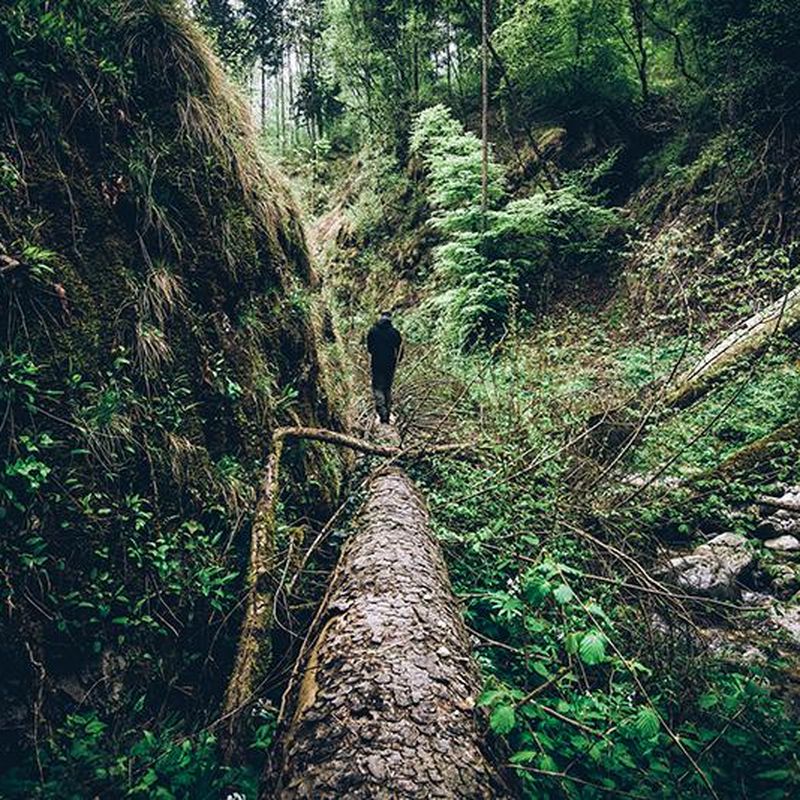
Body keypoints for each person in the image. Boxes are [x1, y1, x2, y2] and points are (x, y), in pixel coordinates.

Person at [366, 311, 402, 424]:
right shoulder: (395, 333)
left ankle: (382, 412)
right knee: (387, 388)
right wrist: (397, 360)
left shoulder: (373, 331)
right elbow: (400, 349)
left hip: (376, 364)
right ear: (390, 319)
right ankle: (386, 415)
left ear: (380, 318)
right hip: (390, 365)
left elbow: (370, 349)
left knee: (378, 388)